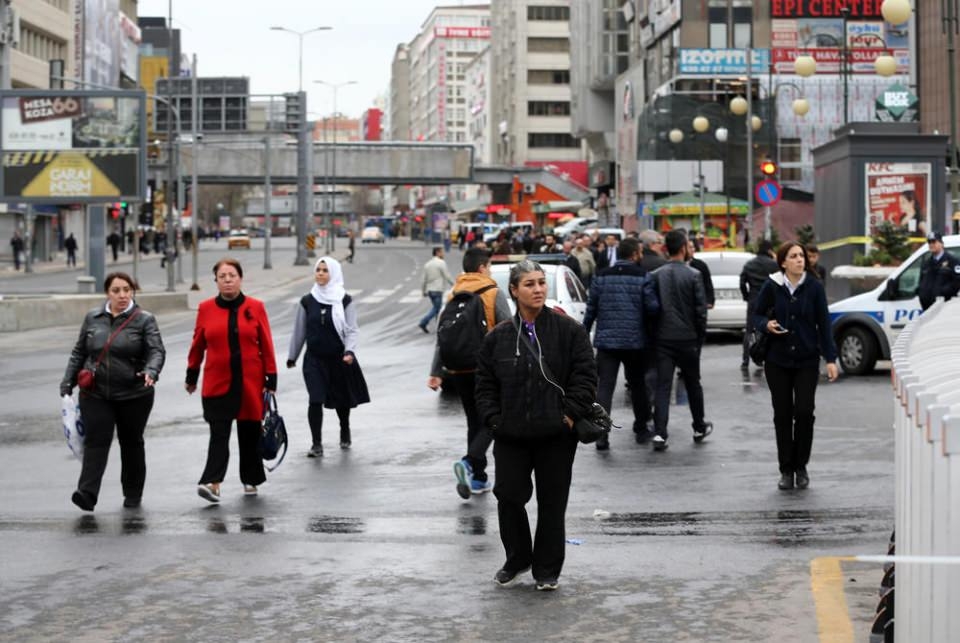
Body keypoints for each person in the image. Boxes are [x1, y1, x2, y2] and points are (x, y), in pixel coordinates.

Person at [475, 259, 597, 591]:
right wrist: (495, 420)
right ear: (514, 291)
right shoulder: (498, 337)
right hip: (511, 435)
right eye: (529, 284)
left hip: (556, 435)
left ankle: (547, 569)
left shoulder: (569, 331)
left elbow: (586, 377)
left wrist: (568, 415)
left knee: (552, 503)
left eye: (541, 282)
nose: (538, 289)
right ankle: (518, 558)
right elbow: (484, 386)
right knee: (509, 497)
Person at [60, 272, 166, 511]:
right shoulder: (93, 318)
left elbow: (156, 351)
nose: (122, 295)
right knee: (96, 441)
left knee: (131, 442)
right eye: (116, 290)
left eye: (127, 290)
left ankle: (132, 493)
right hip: (95, 393)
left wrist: (151, 371)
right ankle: (87, 493)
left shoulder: (145, 320)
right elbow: (79, 352)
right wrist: (68, 381)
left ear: (132, 292)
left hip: (134, 393)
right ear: (107, 293)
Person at [186, 258, 278, 502]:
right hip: (217, 382)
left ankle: (251, 478)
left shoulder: (255, 307)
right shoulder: (206, 308)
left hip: (250, 382)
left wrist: (271, 377)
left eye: (232, 276)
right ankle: (213, 482)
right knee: (219, 433)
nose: (227, 280)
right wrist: (191, 374)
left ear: (240, 279)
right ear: (216, 281)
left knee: (249, 432)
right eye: (222, 276)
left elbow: (266, 343)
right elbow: (198, 345)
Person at [752, 242, 839, 491]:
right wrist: (765, 325)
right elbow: (756, 315)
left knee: (804, 412)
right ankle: (785, 470)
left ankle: (801, 467)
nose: (800, 259)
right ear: (783, 262)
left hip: (806, 360)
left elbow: (824, 323)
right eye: (794, 256)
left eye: (801, 255)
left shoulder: (814, 286)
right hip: (777, 361)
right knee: (782, 414)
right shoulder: (772, 285)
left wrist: (830, 359)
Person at [427, 247, 512, 498]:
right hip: (486, 368)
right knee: (496, 418)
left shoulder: (454, 294)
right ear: (483, 267)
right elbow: (508, 331)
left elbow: (442, 335)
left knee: (474, 421)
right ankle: (469, 462)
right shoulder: (493, 292)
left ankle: (478, 478)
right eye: (490, 266)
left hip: (458, 369)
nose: (491, 271)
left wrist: (436, 371)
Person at [288, 257, 370, 457]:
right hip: (314, 360)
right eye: (318, 270)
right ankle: (316, 444)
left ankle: (344, 428)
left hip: (338, 359)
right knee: (315, 399)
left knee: (342, 400)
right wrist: (292, 356)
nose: (321, 273)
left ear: (333, 273)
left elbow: (351, 329)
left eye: (325, 270)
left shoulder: (344, 300)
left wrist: (349, 351)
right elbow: (299, 331)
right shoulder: (307, 301)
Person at [583, 237, 659, 450]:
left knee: (605, 387)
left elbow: (591, 308)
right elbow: (653, 308)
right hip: (635, 341)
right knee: (637, 386)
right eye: (640, 252)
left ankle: (601, 435)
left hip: (607, 342)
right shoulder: (643, 276)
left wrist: (584, 333)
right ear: (634, 254)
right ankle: (641, 429)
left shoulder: (601, 276)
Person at [649, 230, 712, 452]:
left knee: (663, 386)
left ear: (666, 248)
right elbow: (701, 311)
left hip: (663, 338)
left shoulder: (656, 275)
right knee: (693, 383)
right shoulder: (694, 275)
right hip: (688, 338)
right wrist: (699, 337)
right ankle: (699, 426)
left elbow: (651, 309)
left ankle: (660, 433)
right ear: (684, 248)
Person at [739, 240, 779, 369]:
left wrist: (746, 296)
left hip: (754, 299)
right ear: (769, 250)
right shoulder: (774, 265)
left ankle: (745, 360)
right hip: (770, 301)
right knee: (768, 328)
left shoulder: (749, 264)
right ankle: (764, 358)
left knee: (749, 330)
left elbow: (742, 282)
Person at [918, 231, 960, 311]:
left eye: (934, 242)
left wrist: (942, 292)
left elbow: (957, 282)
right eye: (929, 242)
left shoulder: (952, 261)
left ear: (941, 244)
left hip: (945, 308)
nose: (931, 244)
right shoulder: (926, 264)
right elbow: (921, 283)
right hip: (928, 309)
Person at [419, 247, 454, 333]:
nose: (443, 254)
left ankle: (439, 326)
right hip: (438, 290)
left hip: (430, 290)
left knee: (436, 308)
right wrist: (455, 285)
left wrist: (423, 291)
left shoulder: (427, 264)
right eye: (442, 252)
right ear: (437, 253)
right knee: (437, 308)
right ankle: (423, 322)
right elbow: (447, 276)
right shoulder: (441, 263)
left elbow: (423, 279)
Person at [686, 238, 715, 311]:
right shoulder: (678, 266)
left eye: (693, 247)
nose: (692, 249)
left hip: (698, 303)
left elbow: (708, 284)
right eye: (690, 247)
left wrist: (709, 301)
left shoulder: (701, 265)